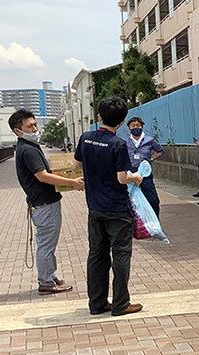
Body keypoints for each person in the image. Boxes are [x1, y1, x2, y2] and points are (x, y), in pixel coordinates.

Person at [73, 96, 144, 317]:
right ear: (122, 122)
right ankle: (120, 303)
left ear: (99, 117)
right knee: (121, 254)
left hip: (94, 207)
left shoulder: (85, 138)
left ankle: (96, 303)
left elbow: (75, 168)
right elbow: (122, 178)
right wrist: (135, 178)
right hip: (117, 208)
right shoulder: (118, 144)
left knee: (97, 254)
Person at [9, 109, 85, 295]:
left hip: (42, 202)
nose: (35, 128)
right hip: (44, 204)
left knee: (47, 243)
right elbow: (43, 176)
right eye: (30, 126)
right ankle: (46, 282)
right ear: (18, 131)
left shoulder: (29, 147)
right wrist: (72, 183)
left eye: (35, 124)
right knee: (46, 244)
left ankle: (50, 276)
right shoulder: (27, 149)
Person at [124, 116, 164, 217]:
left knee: (153, 200)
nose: (135, 127)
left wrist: (151, 159)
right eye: (133, 126)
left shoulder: (149, 140)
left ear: (142, 127)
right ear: (129, 128)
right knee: (130, 200)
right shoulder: (125, 142)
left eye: (138, 125)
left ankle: (154, 222)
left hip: (145, 174)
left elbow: (160, 151)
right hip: (130, 174)